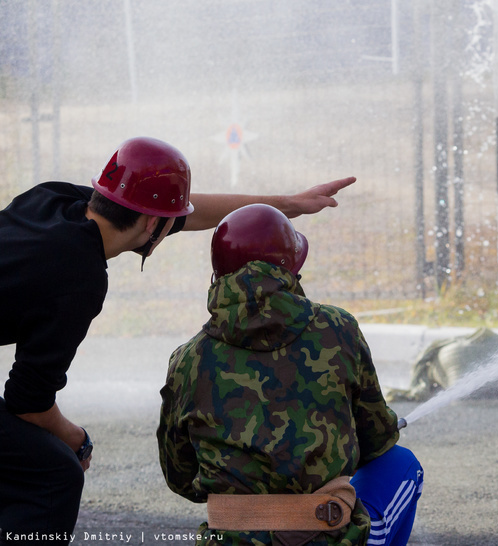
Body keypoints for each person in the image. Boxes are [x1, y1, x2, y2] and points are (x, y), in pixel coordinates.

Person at [0, 136, 356, 545]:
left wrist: (289, 204)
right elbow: (28, 401)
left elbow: (186, 211)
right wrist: (77, 440)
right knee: (53, 474)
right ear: (154, 225)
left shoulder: (54, 199)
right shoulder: (78, 275)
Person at [157, 204, 423, 546]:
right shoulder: (337, 328)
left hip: (231, 540)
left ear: (217, 276)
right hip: (328, 537)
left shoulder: (188, 359)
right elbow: (378, 443)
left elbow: (181, 478)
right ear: (289, 271)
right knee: (402, 463)